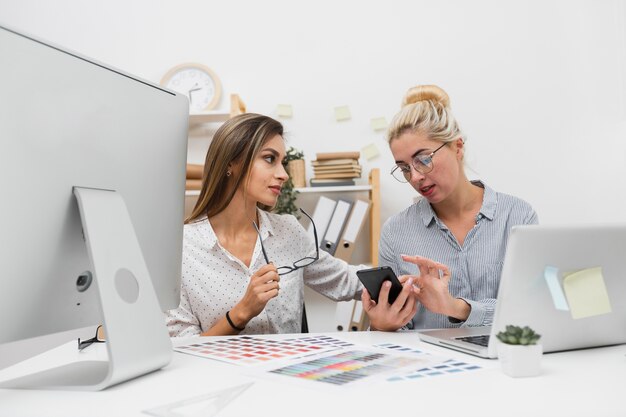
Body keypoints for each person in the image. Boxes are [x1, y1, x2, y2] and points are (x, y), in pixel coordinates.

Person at [166, 113, 362, 337]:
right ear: (232, 162)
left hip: (288, 370)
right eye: (270, 159)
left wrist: (401, 282)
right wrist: (241, 313)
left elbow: (346, 280)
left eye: (283, 163)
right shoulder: (182, 248)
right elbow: (183, 348)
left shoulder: (288, 231)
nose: (283, 175)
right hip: (218, 372)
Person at [362, 85, 538, 331]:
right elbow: (396, 330)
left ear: (457, 147)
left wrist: (457, 308)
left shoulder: (518, 216)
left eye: (423, 160)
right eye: (404, 168)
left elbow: (532, 308)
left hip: (503, 364)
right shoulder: (396, 232)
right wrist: (382, 325)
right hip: (430, 367)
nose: (415, 177)